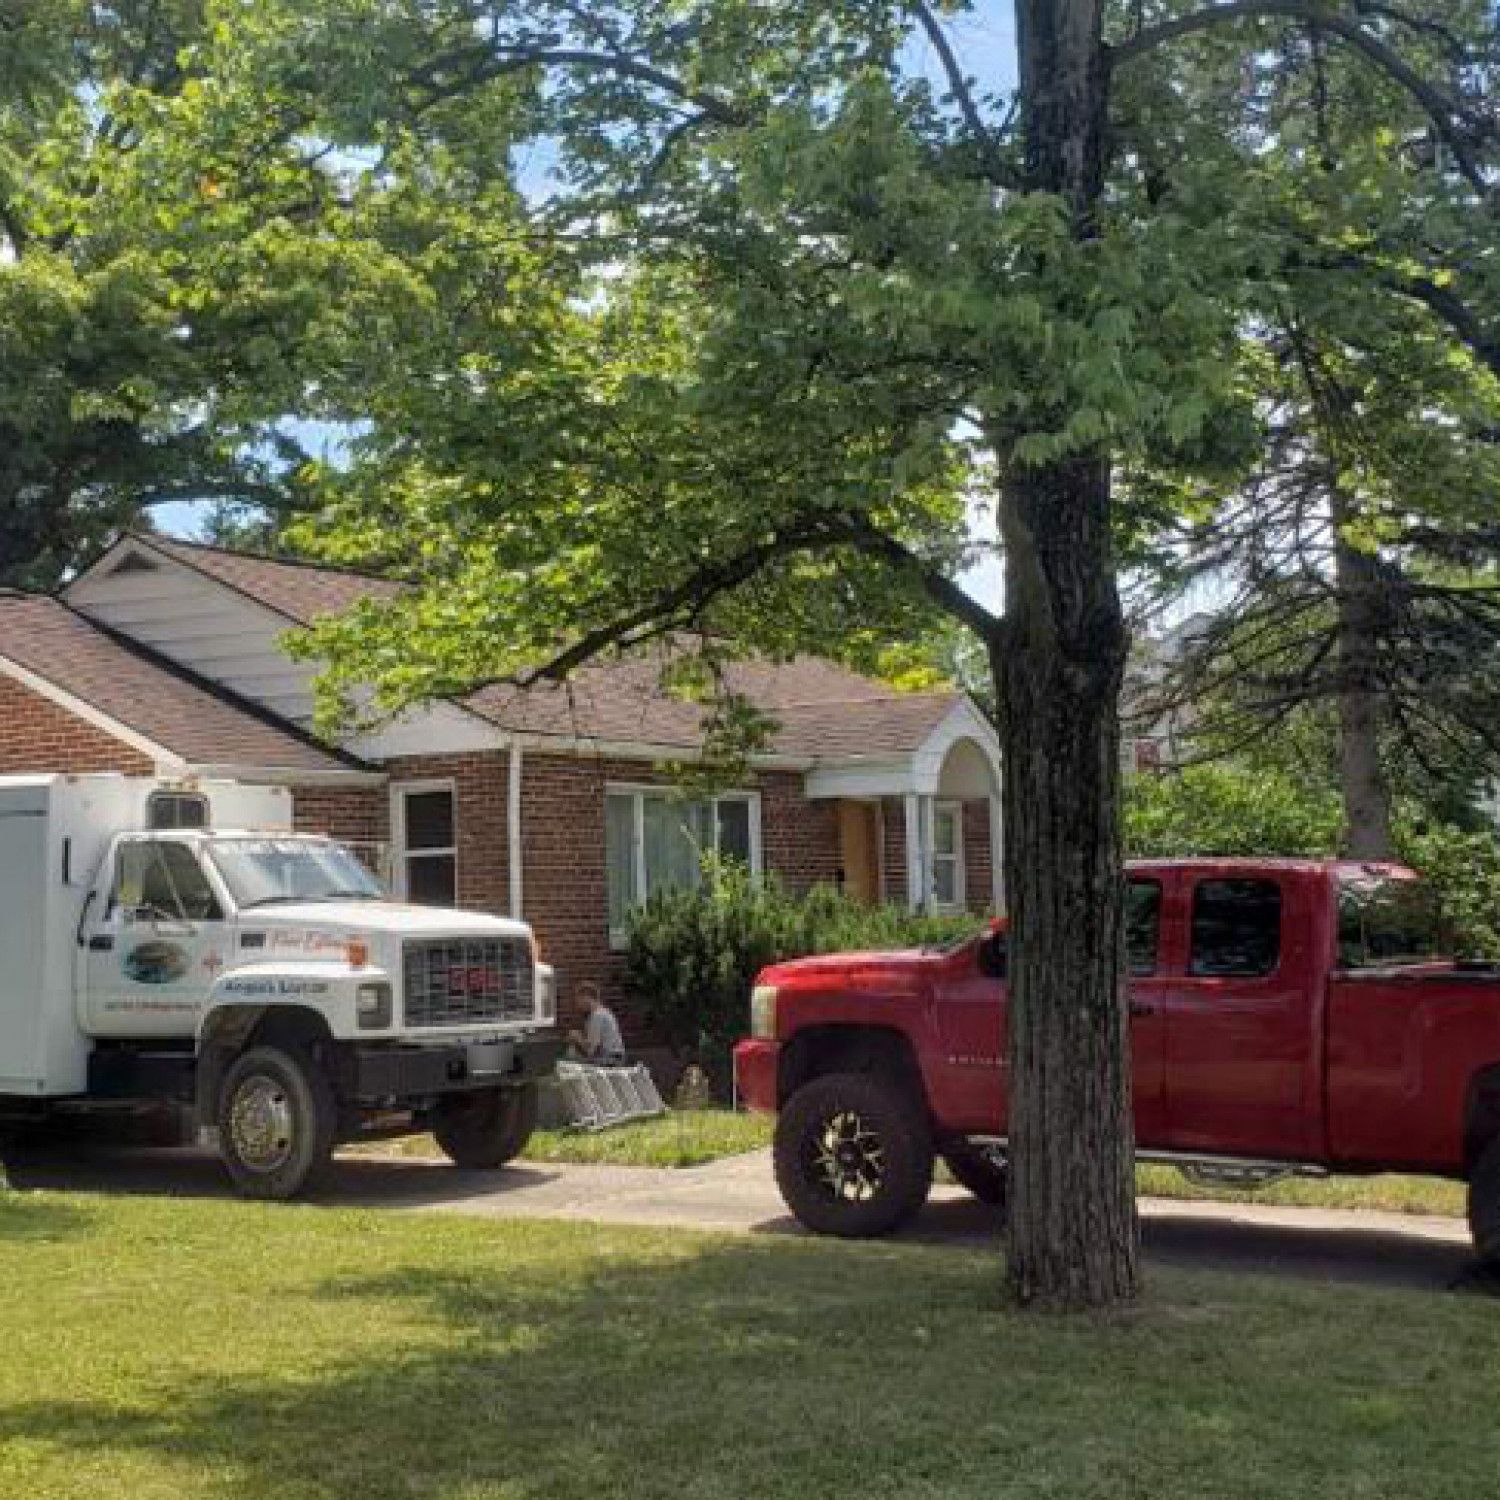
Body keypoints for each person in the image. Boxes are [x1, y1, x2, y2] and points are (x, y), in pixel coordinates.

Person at [567, 981, 626, 1065]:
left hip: (611, 1058)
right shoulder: (598, 1014)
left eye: (578, 1000)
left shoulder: (597, 1016)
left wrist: (578, 1038)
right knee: (572, 1052)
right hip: (608, 1056)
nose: (578, 1004)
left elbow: (591, 1050)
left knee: (572, 1059)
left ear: (587, 998)